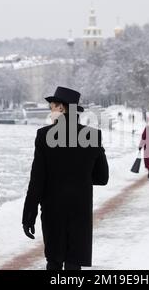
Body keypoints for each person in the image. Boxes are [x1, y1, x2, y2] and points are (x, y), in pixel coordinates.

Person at [22, 87, 109, 271]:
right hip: (80, 208)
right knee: (74, 262)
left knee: (54, 260)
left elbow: (37, 179)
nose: (51, 110)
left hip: (53, 208)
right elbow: (102, 177)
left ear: (62, 108)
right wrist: (80, 177)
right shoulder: (93, 136)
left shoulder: (44, 135)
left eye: (53, 106)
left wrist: (29, 214)